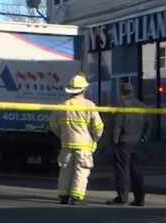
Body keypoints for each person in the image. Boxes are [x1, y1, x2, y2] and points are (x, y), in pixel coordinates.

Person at [48, 73, 103, 206]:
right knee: (81, 170)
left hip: (66, 144)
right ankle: (77, 197)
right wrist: (95, 138)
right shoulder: (89, 105)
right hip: (84, 145)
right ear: (84, 89)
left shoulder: (62, 105)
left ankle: (63, 195)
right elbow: (98, 126)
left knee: (65, 170)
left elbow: (53, 124)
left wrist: (63, 135)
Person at [108, 82, 151, 207]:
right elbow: (149, 123)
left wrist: (114, 141)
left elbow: (117, 125)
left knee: (122, 170)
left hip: (123, 141)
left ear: (121, 92)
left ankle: (122, 197)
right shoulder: (142, 106)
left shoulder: (122, 106)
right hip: (137, 142)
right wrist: (144, 138)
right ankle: (140, 198)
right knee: (137, 170)